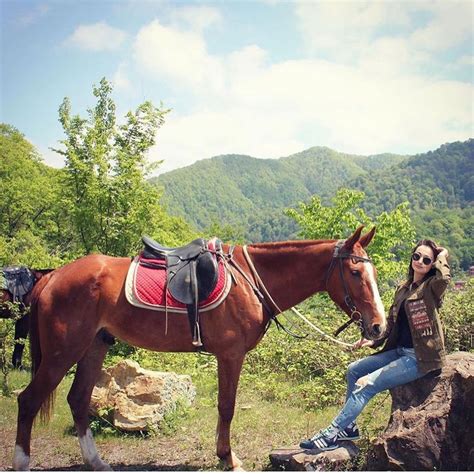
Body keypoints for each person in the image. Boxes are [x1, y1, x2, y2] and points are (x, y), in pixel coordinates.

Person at [300, 239, 451, 451]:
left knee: (365, 384)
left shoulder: (432, 288)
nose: (420, 261)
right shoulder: (403, 289)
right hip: (399, 352)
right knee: (354, 371)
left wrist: (442, 254)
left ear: (431, 265)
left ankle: (329, 435)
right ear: (411, 257)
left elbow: (444, 277)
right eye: (417, 256)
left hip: (419, 358)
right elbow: (392, 323)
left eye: (427, 260)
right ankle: (349, 428)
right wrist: (372, 340)